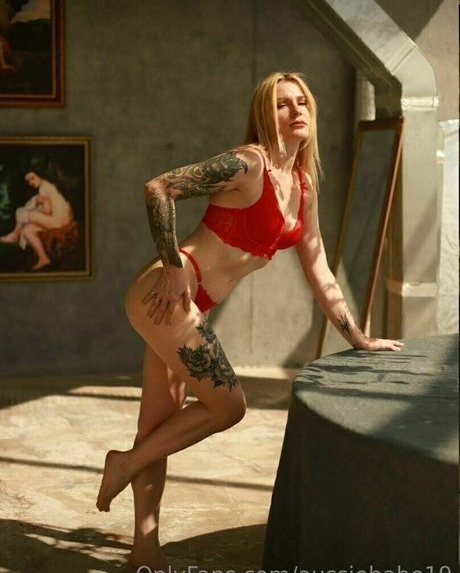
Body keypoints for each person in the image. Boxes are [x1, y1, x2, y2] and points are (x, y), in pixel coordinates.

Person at [96, 71, 403, 569]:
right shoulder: (246, 164)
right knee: (229, 406)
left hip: (195, 304)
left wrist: (359, 338)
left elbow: (319, 266)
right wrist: (172, 264)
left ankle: (144, 553)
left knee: (157, 427)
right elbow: (159, 188)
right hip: (168, 293)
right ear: (265, 113)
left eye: (302, 101)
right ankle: (124, 465)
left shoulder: (303, 185)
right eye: (283, 104)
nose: (296, 110)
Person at [0, 170, 74, 270]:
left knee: (24, 213)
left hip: (59, 221)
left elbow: (47, 210)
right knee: (27, 230)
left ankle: (14, 235)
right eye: (28, 181)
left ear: (41, 175)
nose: (31, 182)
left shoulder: (44, 187)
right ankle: (43, 258)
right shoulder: (52, 184)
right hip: (65, 219)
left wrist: (36, 210)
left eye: (33, 178)